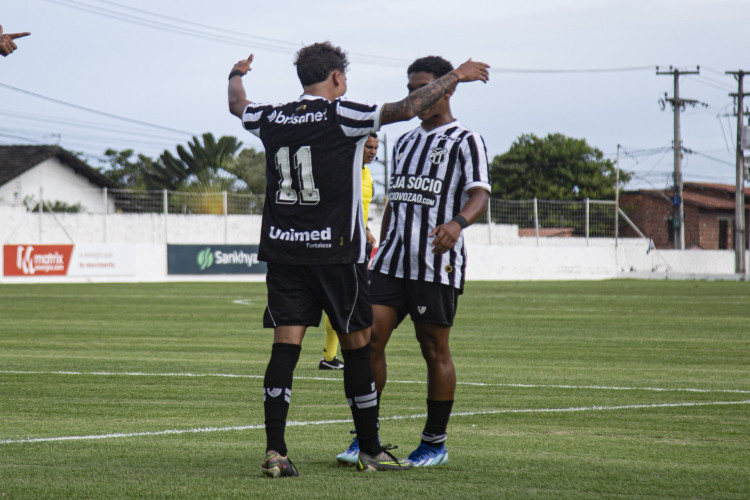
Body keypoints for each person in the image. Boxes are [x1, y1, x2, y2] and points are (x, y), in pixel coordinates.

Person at [227, 43, 489, 477]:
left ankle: (276, 451)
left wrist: (235, 74)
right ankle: (369, 447)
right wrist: (456, 75)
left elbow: (238, 105)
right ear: (335, 78)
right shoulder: (343, 114)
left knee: (284, 350)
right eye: (343, 78)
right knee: (359, 348)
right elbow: (407, 108)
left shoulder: (270, 116)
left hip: (285, 251)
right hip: (336, 252)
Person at [336, 56, 491, 467]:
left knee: (433, 349)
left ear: (448, 88)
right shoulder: (403, 141)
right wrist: (383, 242)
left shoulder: (465, 140)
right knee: (368, 344)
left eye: (423, 87)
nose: (415, 96)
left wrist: (457, 224)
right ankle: (364, 438)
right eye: (410, 89)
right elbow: (397, 199)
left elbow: (480, 194)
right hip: (390, 263)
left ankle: (434, 444)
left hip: (435, 265)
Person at [319, 133, 379, 370]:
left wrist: (365, 228)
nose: (372, 152)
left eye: (375, 148)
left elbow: (358, 207)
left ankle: (331, 357)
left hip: (358, 245)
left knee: (344, 301)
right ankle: (340, 356)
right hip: (342, 245)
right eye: (368, 147)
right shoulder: (346, 170)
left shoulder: (368, 174)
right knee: (343, 301)